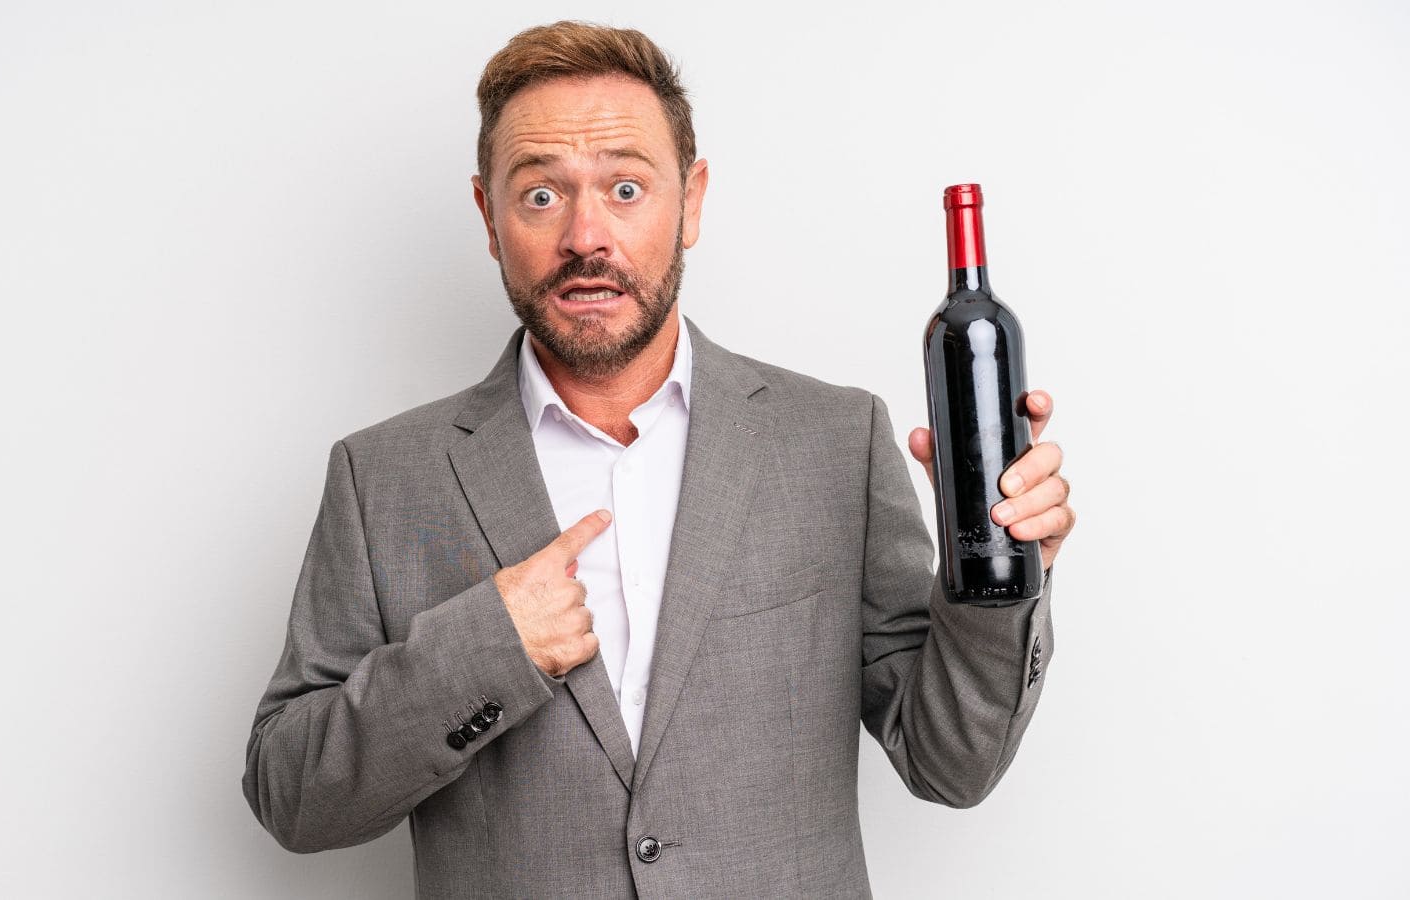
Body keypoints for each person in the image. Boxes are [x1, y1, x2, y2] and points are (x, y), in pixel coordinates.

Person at [242, 20, 1076, 898]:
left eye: (628, 187)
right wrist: (488, 650)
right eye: (540, 197)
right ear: (489, 217)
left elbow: (952, 765)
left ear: (693, 202)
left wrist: (1007, 577)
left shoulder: (833, 443)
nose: (585, 236)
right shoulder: (383, 479)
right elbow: (291, 796)